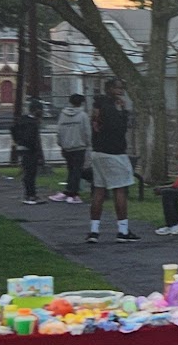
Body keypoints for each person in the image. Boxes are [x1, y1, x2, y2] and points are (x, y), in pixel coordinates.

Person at [87, 81, 137, 244]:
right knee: (120, 189)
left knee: (99, 190)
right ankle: (122, 230)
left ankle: (94, 230)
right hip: (114, 152)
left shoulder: (97, 107)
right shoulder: (112, 108)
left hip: (98, 151)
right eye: (117, 88)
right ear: (109, 89)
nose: (121, 91)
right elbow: (118, 128)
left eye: (122, 88)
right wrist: (123, 113)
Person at [51, 94, 91, 202]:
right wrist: (88, 144)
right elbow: (87, 132)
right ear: (81, 103)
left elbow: (59, 131)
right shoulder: (83, 116)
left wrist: (61, 144)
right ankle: (72, 193)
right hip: (79, 147)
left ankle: (69, 190)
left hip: (67, 147)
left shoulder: (63, 115)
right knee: (77, 170)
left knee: (70, 169)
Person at [8, 106, 44, 204]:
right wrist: (36, 151)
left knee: (27, 172)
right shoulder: (33, 124)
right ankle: (30, 195)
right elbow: (33, 139)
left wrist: (17, 141)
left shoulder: (22, 120)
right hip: (30, 150)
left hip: (22, 148)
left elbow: (12, 129)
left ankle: (29, 195)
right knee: (30, 174)